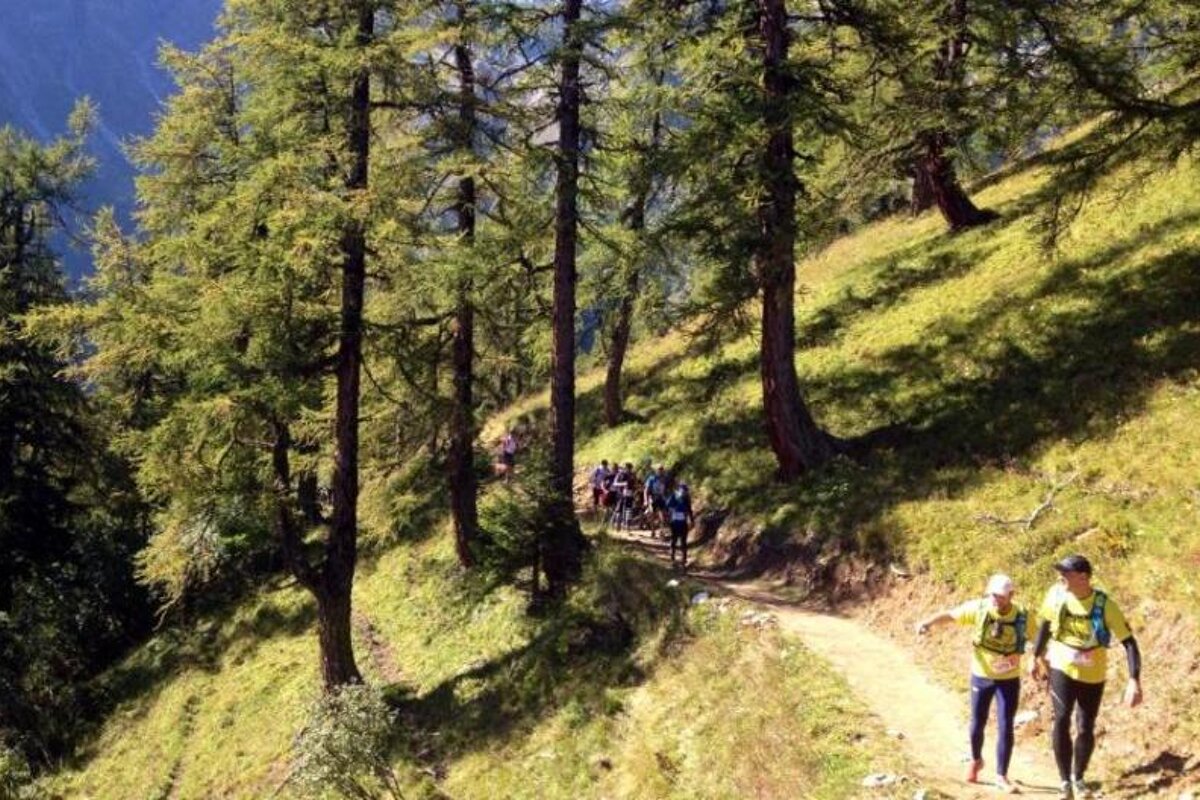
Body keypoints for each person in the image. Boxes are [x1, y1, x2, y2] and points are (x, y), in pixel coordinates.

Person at [1030, 555, 1143, 800]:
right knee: (1061, 718)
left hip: (1093, 673)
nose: (1060, 578)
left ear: (1083, 577)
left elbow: (1129, 643)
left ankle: (1078, 777)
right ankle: (1064, 782)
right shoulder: (1056, 594)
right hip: (1062, 666)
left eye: (1065, 574)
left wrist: (1134, 679)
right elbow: (1044, 626)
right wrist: (1034, 656)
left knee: (1085, 726)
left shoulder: (1105, 605)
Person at [915, 574, 1028, 794]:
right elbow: (950, 615)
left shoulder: (1022, 616)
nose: (996, 599)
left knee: (1006, 725)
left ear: (1011, 595)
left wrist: (1044, 659)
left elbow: (1038, 637)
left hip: (1008, 680)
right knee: (977, 723)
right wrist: (928, 623)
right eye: (992, 595)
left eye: (1001, 596)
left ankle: (1001, 775)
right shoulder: (979, 609)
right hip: (981, 676)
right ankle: (976, 760)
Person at [664, 482, 694, 569]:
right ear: (679, 489)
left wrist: (691, 520)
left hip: (683, 522)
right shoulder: (674, 496)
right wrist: (669, 515)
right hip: (674, 521)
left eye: (686, 491)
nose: (684, 492)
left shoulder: (687, 499)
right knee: (674, 539)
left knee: (683, 541)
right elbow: (667, 506)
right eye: (683, 490)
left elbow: (689, 510)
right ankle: (672, 558)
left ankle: (683, 559)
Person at [643, 464, 669, 537]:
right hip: (653, 498)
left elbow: (666, 490)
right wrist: (645, 500)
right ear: (656, 471)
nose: (660, 471)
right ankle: (653, 530)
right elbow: (646, 490)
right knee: (652, 515)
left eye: (662, 469)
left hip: (661, 498)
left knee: (662, 515)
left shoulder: (665, 479)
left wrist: (667, 498)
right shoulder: (651, 478)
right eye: (659, 470)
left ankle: (661, 531)